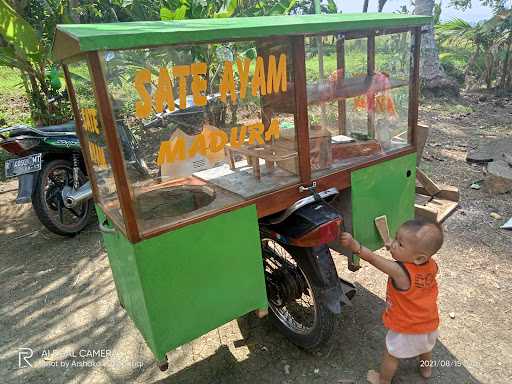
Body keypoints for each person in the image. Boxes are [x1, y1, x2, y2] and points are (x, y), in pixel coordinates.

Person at [341, 219, 444, 384]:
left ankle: (383, 380)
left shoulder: (399, 272)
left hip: (407, 327)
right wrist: (396, 246)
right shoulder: (432, 264)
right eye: (396, 238)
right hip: (429, 322)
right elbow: (416, 268)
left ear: (418, 258)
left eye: (400, 244)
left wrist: (356, 247)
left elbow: (373, 259)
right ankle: (426, 369)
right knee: (426, 347)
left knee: (392, 355)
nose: (393, 244)